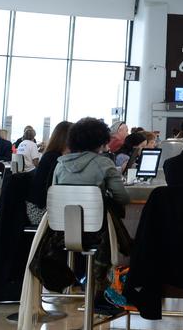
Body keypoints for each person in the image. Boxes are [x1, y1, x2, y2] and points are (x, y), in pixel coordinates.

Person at [53, 118, 131, 314]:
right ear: (100, 141)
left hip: (62, 233)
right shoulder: (104, 164)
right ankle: (101, 292)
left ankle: (92, 288)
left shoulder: (59, 165)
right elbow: (122, 197)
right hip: (97, 235)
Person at [26, 121, 70, 224]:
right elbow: (53, 191)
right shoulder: (54, 158)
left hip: (40, 205)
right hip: (40, 211)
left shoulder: (51, 155)